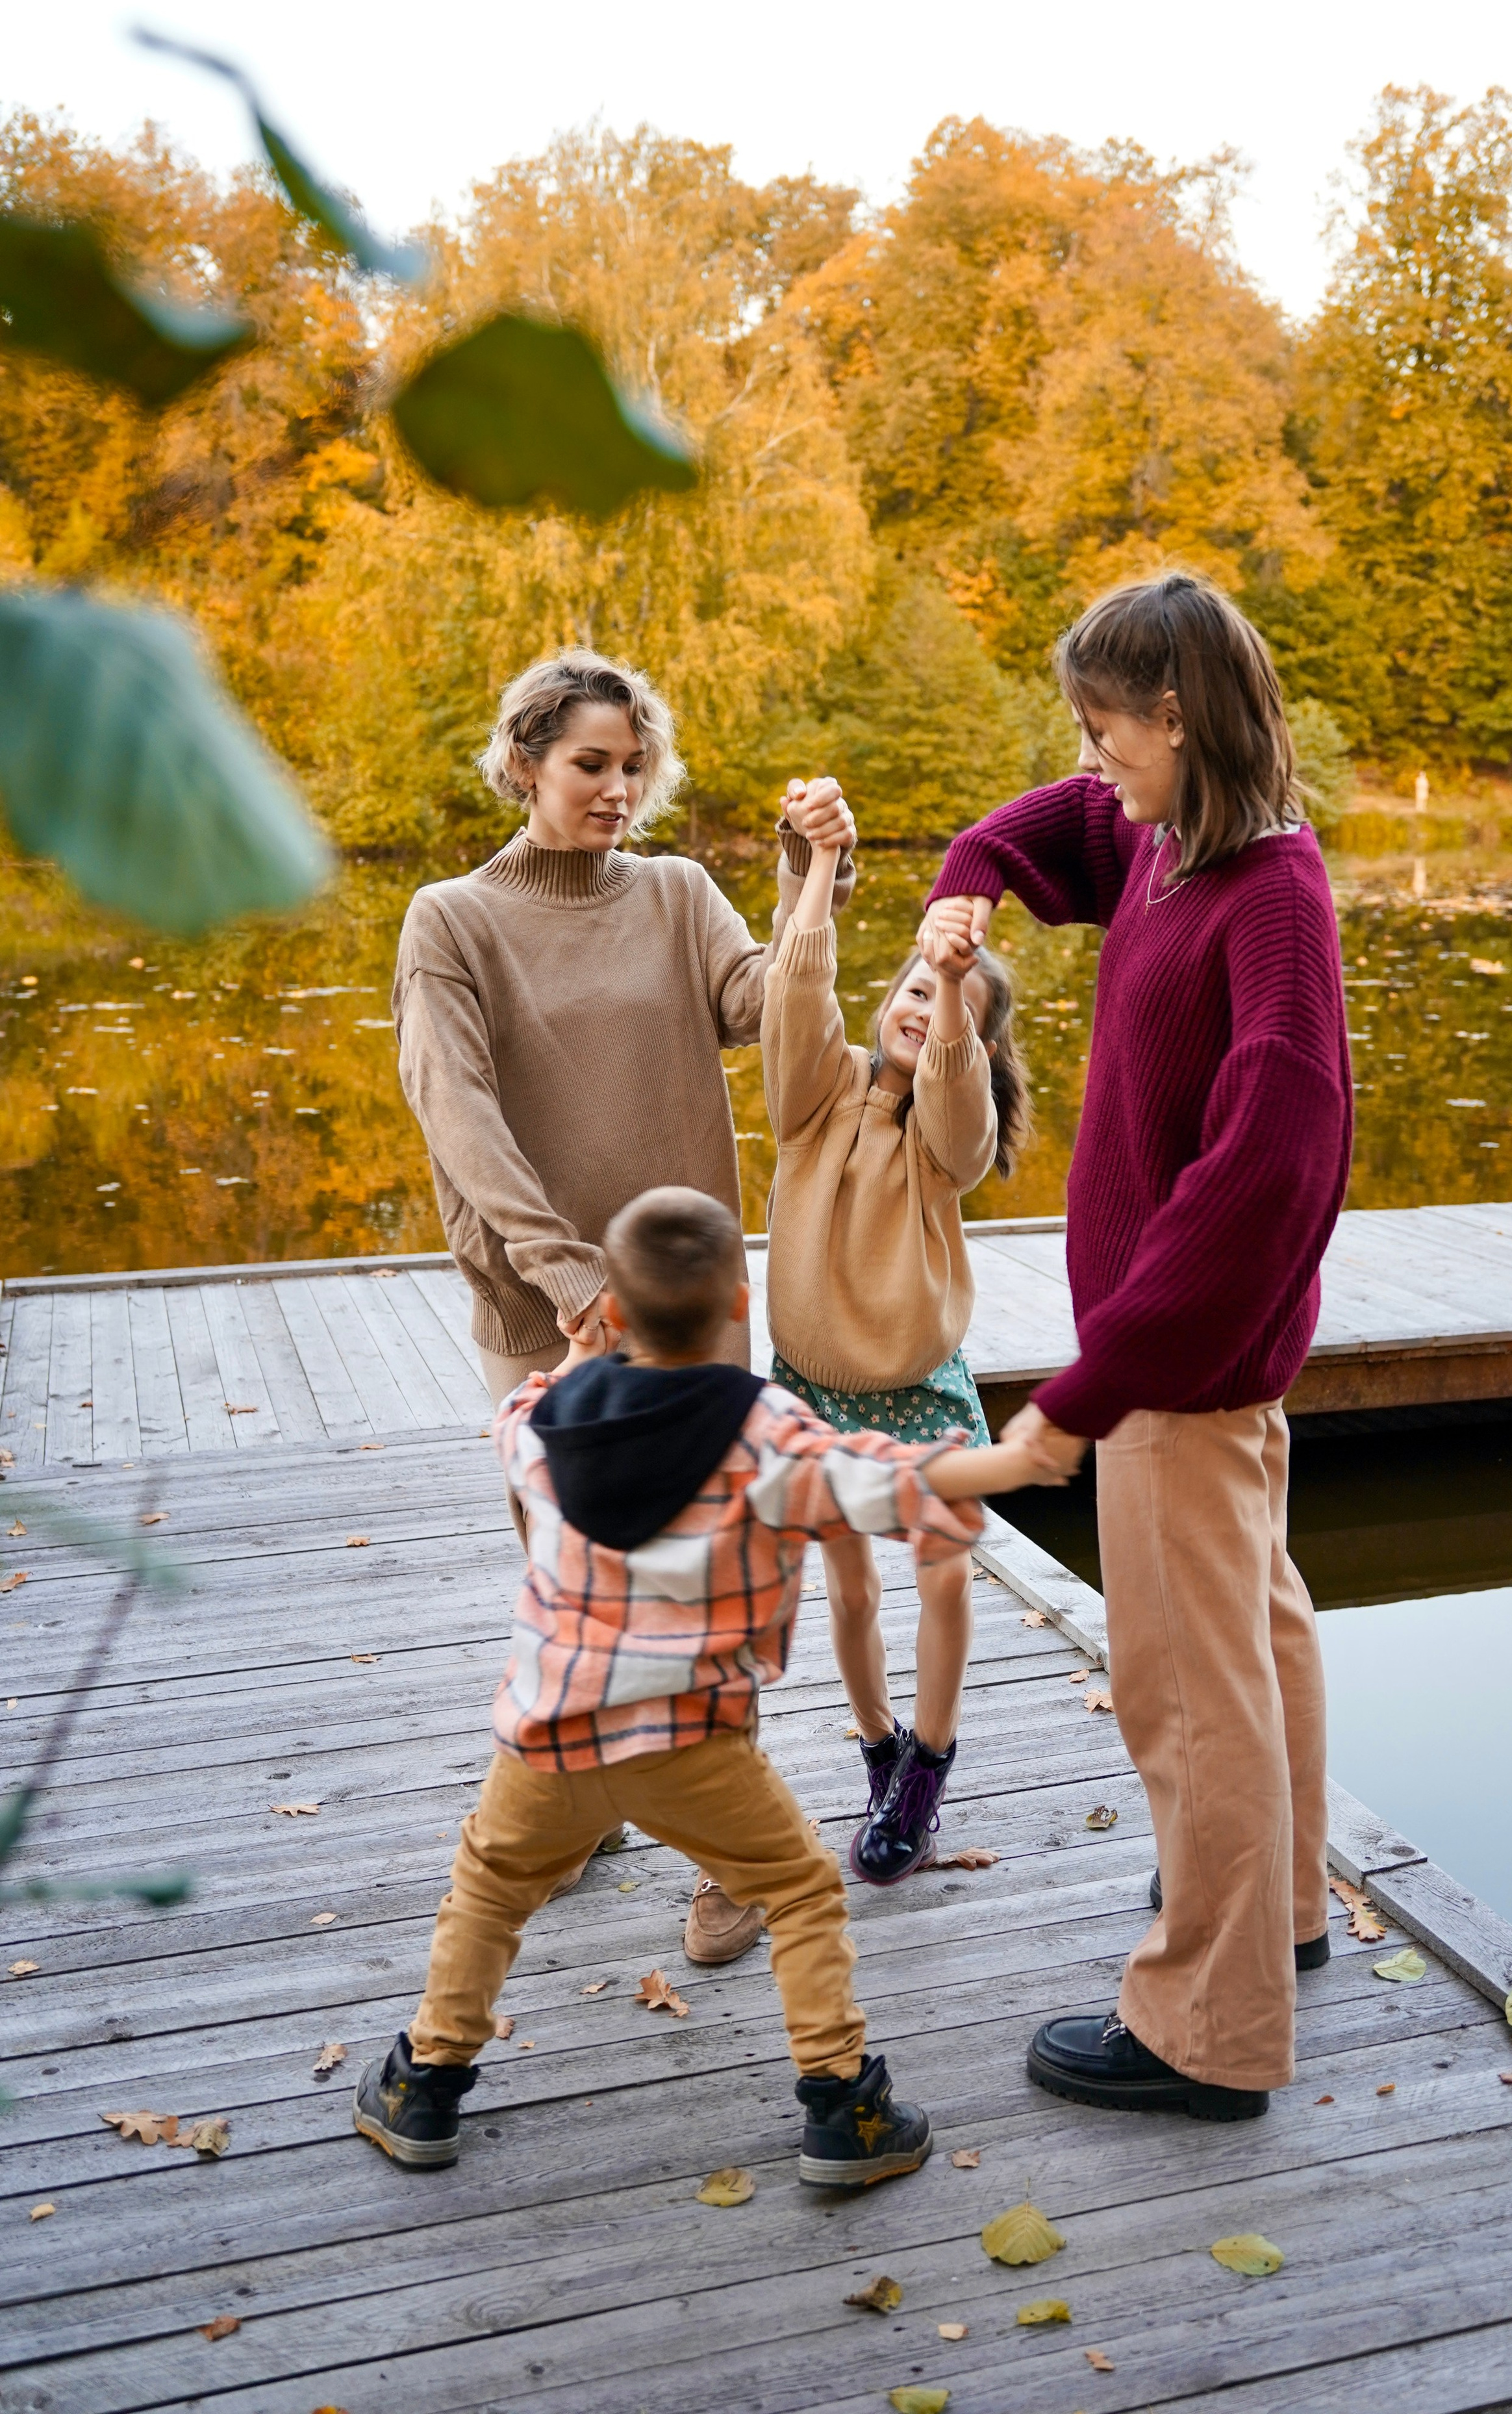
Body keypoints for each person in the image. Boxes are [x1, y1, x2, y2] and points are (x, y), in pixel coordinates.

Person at [352, 1187, 1061, 2178]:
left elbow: (513, 1420)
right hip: (692, 1742)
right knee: (803, 1890)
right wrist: (1015, 1461)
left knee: (492, 1886)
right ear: (740, 1300)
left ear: (614, 1308)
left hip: (549, 1739)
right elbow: (884, 1479)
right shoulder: (764, 1431)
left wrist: (575, 1353)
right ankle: (842, 2109)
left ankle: (424, 2087)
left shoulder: (552, 1419)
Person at [924, 570, 1352, 2122]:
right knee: (1261, 1644)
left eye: (1105, 730)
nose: (1090, 761)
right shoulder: (1175, 843)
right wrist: (965, 878)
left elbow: (1261, 1182)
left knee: (1185, 1697)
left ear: (1176, 715)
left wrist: (1077, 1403)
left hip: (1177, 1376)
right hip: (1204, 1375)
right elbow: (1056, 829)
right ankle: (1279, 1922)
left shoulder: (1269, 910)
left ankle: (1205, 2030)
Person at [391, 647, 851, 1961]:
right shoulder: (451, 920)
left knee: (711, 1571)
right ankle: (580, 1795)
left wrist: (807, 876)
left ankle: (732, 1856)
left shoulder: (676, 892)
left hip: (692, 1303)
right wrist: (567, 1274)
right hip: (541, 1304)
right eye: (590, 763)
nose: (616, 788)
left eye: (632, 765)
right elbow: (458, 1113)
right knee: (569, 1569)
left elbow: (771, 1011)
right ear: (525, 761)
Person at [761, 781, 1030, 1887]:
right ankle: (878, 1751)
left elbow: (964, 1100)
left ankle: (928, 1763)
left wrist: (964, 981)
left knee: (945, 1576)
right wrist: (820, 865)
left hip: (917, 1386)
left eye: (946, 999)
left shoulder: (943, 1140)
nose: (924, 1004)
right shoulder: (814, 1095)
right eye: (915, 988)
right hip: (810, 1388)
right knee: (849, 1585)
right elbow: (796, 994)